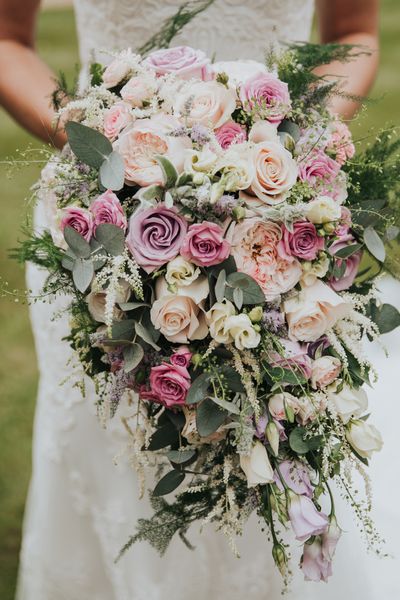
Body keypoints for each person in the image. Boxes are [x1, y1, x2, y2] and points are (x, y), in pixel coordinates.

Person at [1, 1, 399, 599]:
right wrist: (106, 144)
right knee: (114, 459)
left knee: (267, 439)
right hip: (101, 215)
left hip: (271, 206)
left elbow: (354, 36)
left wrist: (284, 151)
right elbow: (6, 38)